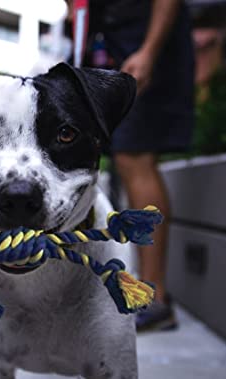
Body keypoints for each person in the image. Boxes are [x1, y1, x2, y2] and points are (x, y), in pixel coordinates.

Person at [83, 0, 195, 331]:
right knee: (126, 157)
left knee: (136, 157)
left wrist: (149, 51)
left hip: (145, 52)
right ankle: (148, 295)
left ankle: (155, 299)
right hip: (120, 49)